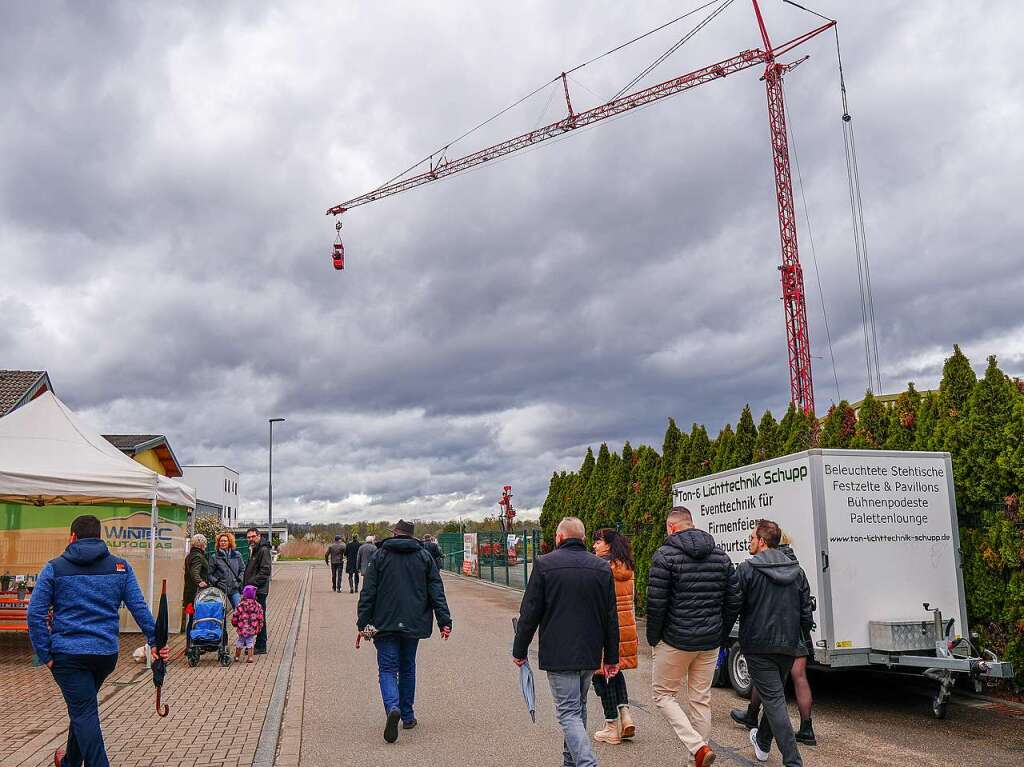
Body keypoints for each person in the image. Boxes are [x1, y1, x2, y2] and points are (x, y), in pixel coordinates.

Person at [27, 514, 169, 767]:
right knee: (83, 708)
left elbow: (35, 613)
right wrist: (154, 640)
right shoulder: (121, 567)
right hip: (105, 654)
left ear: (72, 537)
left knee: (83, 711)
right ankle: (70, 761)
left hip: (67, 655)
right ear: (99, 538)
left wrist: (45, 654)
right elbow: (138, 607)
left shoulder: (54, 568)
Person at [513, 517, 619, 767]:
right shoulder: (601, 568)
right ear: (582, 539)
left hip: (559, 653)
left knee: (568, 712)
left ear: (559, 537)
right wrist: (612, 657)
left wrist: (520, 650)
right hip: (590, 652)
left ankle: (586, 762)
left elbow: (530, 613)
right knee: (578, 708)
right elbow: (610, 617)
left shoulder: (545, 565)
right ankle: (570, 763)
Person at [645, 507, 741, 767]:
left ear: (671, 527)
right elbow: (734, 600)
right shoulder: (721, 556)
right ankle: (695, 761)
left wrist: (654, 638)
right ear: (692, 524)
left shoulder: (664, 556)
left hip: (675, 639)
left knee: (663, 695)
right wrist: (720, 633)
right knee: (700, 699)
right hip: (709, 641)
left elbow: (656, 603)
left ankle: (697, 747)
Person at [357, 519, 452, 743]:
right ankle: (407, 716)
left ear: (395, 534)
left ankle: (392, 707)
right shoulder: (424, 556)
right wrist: (444, 620)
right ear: (411, 536)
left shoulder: (380, 556)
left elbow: (368, 592)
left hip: (384, 622)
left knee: (388, 669)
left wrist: (362, 623)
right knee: (408, 667)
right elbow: (436, 589)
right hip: (414, 622)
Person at [731, 519, 813, 767]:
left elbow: (733, 605)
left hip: (758, 645)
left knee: (775, 701)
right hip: (788, 645)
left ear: (762, 541)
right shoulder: (797, 571)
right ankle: (763, 742)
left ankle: (793, 761)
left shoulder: (746, 569)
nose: (749, 542)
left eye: (751, 538)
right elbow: (806, 612)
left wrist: (721, 633)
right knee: (774, 694)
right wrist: (799, 636)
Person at [590, 528, 638, 745]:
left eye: (598, 542)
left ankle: (611, 727)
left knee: (601, 675)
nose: (594, 545)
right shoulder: (626, 566)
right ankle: (625, 715)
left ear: (608, 544)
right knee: (615, 669)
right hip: (626, 627)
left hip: (604, 628)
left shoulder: (601, 567)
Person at [243, 527, 273, 655]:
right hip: (253, 590)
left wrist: (251, 583)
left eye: (253, 536)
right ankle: (257, 644)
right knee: (255, 617)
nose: (251, 539)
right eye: (249, 537)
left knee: (259, 617)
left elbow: (265, 571)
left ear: (259, 536)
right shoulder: (255, 549)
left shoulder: (263, 550)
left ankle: (261, 645)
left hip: (258, 590)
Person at [209, 532, 244, 609]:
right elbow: (209, 574)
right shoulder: (214, 557)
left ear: (229, 542)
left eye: (225, 541)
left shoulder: (237, 555)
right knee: (221, 612)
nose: (223, 543)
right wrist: (217, 582)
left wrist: (239, 580)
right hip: (221, 589)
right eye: (221, 541)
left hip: (234, 588)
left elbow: (242, 569)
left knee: (239, 610)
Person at [231, 585, 265, 663]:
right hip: (252, 628)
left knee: (240, 641)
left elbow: (236, 615)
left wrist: (234, 623)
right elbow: (260, 617)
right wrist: (260, 626)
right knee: (250, 641)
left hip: (242, 627)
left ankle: (237, 656)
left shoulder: (241, 605)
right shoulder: (257, 605)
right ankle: (250, 657)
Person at [182, 533, 209, 631]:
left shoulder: (190, 555)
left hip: (190, 592)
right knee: (196, 619)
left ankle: (190, 642)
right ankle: (192, 642)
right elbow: (195, 571)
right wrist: (200, 582)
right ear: (202, 544)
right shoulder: (198, 556)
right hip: (196, 593)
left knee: (193, 619)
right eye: (205, 544)